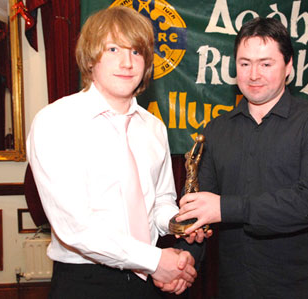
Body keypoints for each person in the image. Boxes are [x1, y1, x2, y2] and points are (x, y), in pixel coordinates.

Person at [27, 6, 196, 298]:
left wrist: (176, 223)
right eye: (114, 49)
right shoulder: (55, 121)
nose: (127, 62)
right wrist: (158, 262)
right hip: (86, 282)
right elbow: (76, 227)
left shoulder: (154, 127)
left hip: (149, 282)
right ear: (91, 57)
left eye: (137, 52)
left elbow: (161, 200)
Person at [176, 17, 308, 298]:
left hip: (305, 289)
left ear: (288, 67)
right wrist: (184, 260)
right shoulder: (215, 130)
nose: (253, 74)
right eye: (245, 63)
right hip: (236, 288)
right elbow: (199, 208)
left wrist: (225, 209)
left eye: (266, 64)